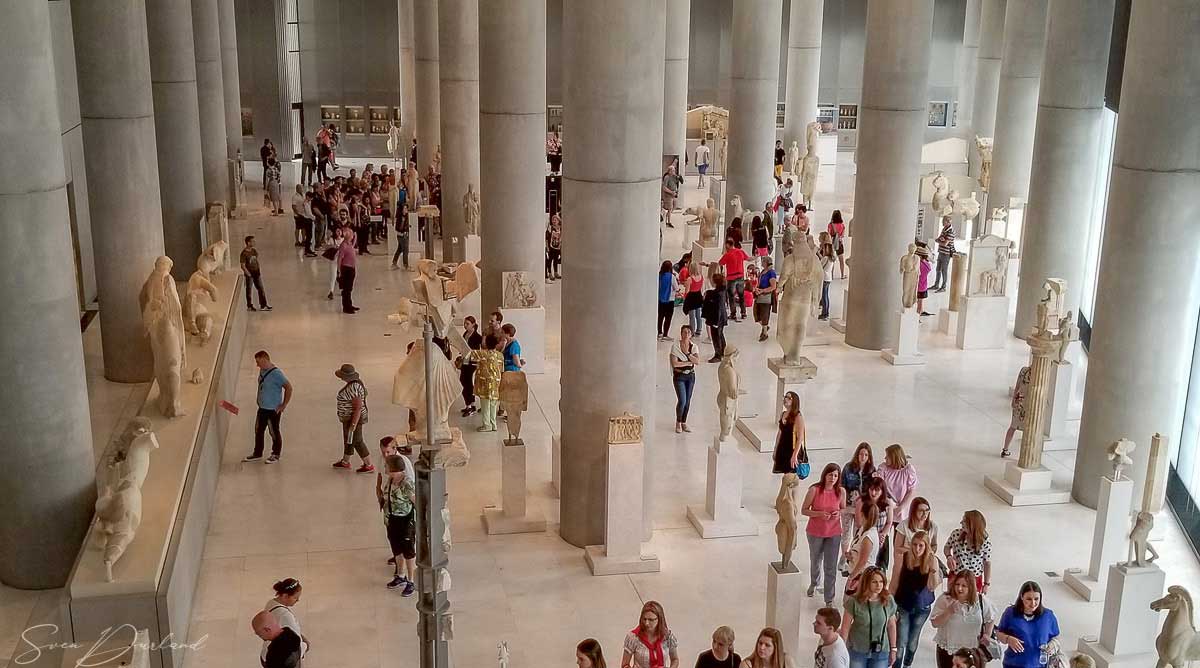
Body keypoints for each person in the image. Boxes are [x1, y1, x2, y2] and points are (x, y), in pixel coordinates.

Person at [890, 530, 941, 668]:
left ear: (926, 547)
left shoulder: (931, 560)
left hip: (922, 607)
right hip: (903, 604)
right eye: (915, 545)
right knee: (901, 641)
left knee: (913, 640)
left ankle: (907, 663)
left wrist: (933, 569)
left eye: (921, 546)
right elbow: (894, 581)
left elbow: (932, 586)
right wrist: (889, 603)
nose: (917, 549)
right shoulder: (904, 557)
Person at [931, 570, 998, 668]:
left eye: (964, 586)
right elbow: (935, 623)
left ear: (971, 587)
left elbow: (991, 618)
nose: (959, 588)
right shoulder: (946, 599)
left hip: (972, 653)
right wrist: (949, 612)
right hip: (949, 651)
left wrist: (987, 634)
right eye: (957, 584)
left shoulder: (981, 601)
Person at [803, 463, 846, 606]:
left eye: (835, 475)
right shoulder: (814, 490)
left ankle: (829, 598)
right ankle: (814, 582)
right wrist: (818, 514)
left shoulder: (841, 492)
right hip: (815, 531)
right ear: (824, 475)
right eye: (830, 475)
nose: (832, 478)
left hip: (833, 532)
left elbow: (843, 509)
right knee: (816, 559)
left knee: (831, 566)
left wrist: (838, 513)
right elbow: (804, 510)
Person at [840, 566, 899, 668]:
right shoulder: (854, 601)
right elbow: (845, 628)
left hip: (881, 651)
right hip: (857, 650)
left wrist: (893, 649)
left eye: (881, 582)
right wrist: (842, 650)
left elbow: (891, 625)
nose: (878, 585)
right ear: (866, 582)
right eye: (874, 582)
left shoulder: (888, 600)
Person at [995, 582, 1060, 668]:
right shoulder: (1010, 613)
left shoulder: (1048, 616)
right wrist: (1008, 639)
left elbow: (1056, 637)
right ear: (1022, 597)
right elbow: (998, 634)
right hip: (1013, 664)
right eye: (1029, 599)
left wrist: (1052, 645)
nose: (1033, 603)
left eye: (1036, 599)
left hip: (1039, 665)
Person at [244, 351, 292, 463]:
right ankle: (257, 452)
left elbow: (288, 388)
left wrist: (283, 404)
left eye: (258, 362)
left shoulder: (277, 374)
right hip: (262, 408)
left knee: (273, 431)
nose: (257, 365)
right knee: (258, 430)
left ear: (265, 359)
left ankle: (275, 454)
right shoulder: (262, 370)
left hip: (272, 410)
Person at [379, 454, 417, 595]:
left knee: (408, 550)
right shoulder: (390, 480)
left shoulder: (407, 483)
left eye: (387, 466)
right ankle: (400, 575)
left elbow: (415, 501)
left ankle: (411, 580)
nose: (385, 468)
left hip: (406, 520)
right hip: (393, 519)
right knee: (397, 549)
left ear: (394, 469)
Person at [330, 364, 374, 473]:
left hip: (353, 418)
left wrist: (353, 425)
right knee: (349, 439)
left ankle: (368, 464)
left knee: (357, 440)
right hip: (349, 418)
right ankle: (345, 461)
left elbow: (357, 408)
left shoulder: (354, 387)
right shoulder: (356, 383)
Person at [840, 443, 876, 571]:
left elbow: (874, 489)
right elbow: (842, 486)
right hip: (848, 505)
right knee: (846, 533)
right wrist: (843, 503)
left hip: (862, 508)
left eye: (866, 454)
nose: (863, 457)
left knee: (857, 533)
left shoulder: (872, 471)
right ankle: (844, 558)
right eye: (861, 454)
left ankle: (853, 556)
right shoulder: (848, 468)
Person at [944, 510, 992, 593]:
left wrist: (986, 584)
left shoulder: (985, 542)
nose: (961, 522)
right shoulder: (956, 534)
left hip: (974, 579)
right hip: (956, 575)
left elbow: (987, 563)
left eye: (964, 521)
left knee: (971, 604)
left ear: (972, 525)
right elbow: (947, 547)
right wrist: (949, 557)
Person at [622, 601, 680, 668]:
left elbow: (675, 659)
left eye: (651, 620)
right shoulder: (633, 637)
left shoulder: (668, 637)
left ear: (659, 620)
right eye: (644, 619)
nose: (646, 623)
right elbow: (625, 664)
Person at [466, 334, 504, 432]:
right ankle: (493, 424)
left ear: (486, 343)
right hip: (496, 383)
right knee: (493, 404)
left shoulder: (481, 354)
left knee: (485, 405)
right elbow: (501, 369)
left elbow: (468, 354)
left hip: (484, 384)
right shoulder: (500, 355)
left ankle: (487, 425)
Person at [263, 579, 309, 660]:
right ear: (285, 596)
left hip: (266, 653)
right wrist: (306, 645)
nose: (298, 600)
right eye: (295, 597)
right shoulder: (285, 615)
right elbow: (296, 647)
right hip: (280, 660)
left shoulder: (271, 603)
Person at [858, 477, 896, 573]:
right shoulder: (862, 502)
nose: (873, 493)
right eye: (871, 489)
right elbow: (859, 523)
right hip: (866, 537)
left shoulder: (888, 503)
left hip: (882, 538)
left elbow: (889, 522)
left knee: (880, 569)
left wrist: (882, 535)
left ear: (882, 491)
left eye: (877, 490)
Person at [875, 444, 919, 524]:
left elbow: (911, 491)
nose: (885, 458)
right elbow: (879, 483)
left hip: (901, 510)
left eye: (887, 456)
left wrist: (901, 508)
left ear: (894, 457)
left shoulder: (908, 470)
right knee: (883, 534)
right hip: (885, 507)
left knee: (898, 534)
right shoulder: (883, 467)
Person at [845, 502, 881, 598]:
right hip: (856, 571)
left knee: (852, 604)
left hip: (862, 576)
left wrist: (851, 578)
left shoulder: (868, 537)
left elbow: (863, 562)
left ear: (862, 514)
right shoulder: (862, 529)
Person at [670, 325, 700, 433]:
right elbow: (675, 364)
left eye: (688, 332)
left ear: (691, 334)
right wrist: (688, 362)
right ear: (681, 333)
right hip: (679, 377)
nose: (686, 334)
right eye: (684, 332)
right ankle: (678, 422)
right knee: (682, 400)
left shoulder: (694, 347)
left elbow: (697, 361)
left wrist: (687, 353)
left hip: (690, 376)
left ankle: (684, 422)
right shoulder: (675, 347)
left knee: (688, 401)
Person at [716, 238, 750, 321]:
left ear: (727, 245)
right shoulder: (740, 252)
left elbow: (720, 263)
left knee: (731, 296)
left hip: (731, 278)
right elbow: (748, 258)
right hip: (741, 276)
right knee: (741, 295)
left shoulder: (727, 254)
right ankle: (743, 313)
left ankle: (733, 314)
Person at [1002, 366, 1031, 458]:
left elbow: (1017, 385)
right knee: (1028, 430)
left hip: (1019, 400)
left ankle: (1005, 449)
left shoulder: (1024, 370)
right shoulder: (1038, 375)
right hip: (1028, 402)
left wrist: (1014, 399)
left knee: (1013, 426)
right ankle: (1025, 454)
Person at [773, 391, 805, 474]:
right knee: (785, 474)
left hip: (792, 449)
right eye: (785, 397)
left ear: (794, 401)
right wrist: (775, 450)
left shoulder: (798, 416)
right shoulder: (783, 414)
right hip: (782, 448)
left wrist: (795, 455)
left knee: (791, 475)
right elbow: (780, 433)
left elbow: (800, 437)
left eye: (789, 398)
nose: (785, 399)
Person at [458, 316, 483, 417]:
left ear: (473, 324)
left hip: (471, 362)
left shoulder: (477, 337)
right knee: (465, 382)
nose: (465, 326)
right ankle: (470, 404)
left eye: (467, 324)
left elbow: (479, 349)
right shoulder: (465, 334)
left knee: (466, 382)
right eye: (465, 323)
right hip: (465, 361)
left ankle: (470, 405)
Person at [240, 236, 272, 311]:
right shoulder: (244, 253)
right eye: (252, 241)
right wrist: (248, 274)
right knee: (249, 290)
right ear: (248, 243)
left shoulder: (254, 251)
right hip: (250, 274)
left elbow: (256, 258)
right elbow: (242, 265)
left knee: (261, 288)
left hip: (257, 273)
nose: (254, 242)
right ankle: (249, 306)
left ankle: (263, 305)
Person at [703, 274, 729, 362]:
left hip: (716, 318)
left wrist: (716, 322)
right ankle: (723, 351)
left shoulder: (717, 294)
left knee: (716, 337)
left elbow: (718, 308)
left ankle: (718, 355)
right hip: (720, 317)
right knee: (720, 335)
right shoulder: (722, 291)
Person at [753, 256, 778, 341]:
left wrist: (763, 291)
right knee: (756, 314)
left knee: (764, 314)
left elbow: (773, 286)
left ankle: (764, 333)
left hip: (766, 296)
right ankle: (765, 327)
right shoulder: (763, 271)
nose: (762, 263)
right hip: (759, 295)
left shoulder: (771, 273)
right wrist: (757, 289)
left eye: (763, 261)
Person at [336, 226, 358, 314]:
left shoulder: (349, 244)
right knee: (346, 289)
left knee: (349, 288)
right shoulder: (343, 246)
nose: (353, 235)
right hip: (346, 269)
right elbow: (339, 259)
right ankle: (346, 307)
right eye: (351, 234)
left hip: (351, 268)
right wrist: (339, 271)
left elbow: (355, 239)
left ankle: (350, 304)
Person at [681, 261, 705, 337]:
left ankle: (692, 331)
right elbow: (701, 288)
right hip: (698, 295)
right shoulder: (701, 277)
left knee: (692, 316)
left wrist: (684, 298)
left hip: (691, 297)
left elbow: (687, 291)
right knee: (698, 315)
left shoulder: (690, 279)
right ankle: (699, 329)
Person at [292, 185, 316, 257]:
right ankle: (306, 249)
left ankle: (304, 243)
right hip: (302, 217)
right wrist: (314, 218)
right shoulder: (297, 198)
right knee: (308, 234)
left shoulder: (304, 199)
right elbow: (308, 213)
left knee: (306, 233)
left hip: (304, 217)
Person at [658, 261, 679, 341]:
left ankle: (659, 333)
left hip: (660, 300)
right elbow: (676, 288)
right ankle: (665, 335)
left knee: (660, 317)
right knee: (668, 318)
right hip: (670, 300)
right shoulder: (672, 277)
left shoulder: (659, 276)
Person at [933, 216, 955, 292]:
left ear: (948, 222)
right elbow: (939, 238)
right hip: (941, 252)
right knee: (938, 269)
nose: (942, 222)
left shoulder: (950, 231)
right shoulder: (944, 229)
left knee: (944, 270)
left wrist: (940, 241)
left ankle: (943, 287)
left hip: (946, 254)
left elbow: (945, 244)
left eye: (944, 221)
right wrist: (941, 240)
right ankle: (936, 285)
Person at [828, 210, 847, 279]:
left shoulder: (830, 225)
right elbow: (842, 235)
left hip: (832, 244)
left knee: (832, 260)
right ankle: (842, 275)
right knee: (841, 260)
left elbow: (829, 234)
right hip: (839, 244)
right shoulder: (842, 225)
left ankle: (831, 275)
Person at [818, 240, 835, 319]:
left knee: (824, 296)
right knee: (826, 296)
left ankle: (824, 313)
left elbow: (819, 266)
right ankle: (826, 312)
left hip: (824, 278)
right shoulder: (831, 259)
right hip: (829, 278)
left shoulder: (825, 258)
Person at [392, 202, 411, 269]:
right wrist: (402, 231)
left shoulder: (406, 216)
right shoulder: (400, 217)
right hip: (401, 235)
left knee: (399, 249)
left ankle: (394, 263)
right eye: (405, 208)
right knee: (405, 250)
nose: (406, 210)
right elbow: (397, 227)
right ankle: (406, 265)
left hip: (405, 234)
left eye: (406, 208)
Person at [916, 245, 933, 316]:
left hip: (918, 287)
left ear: (919, 256)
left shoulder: (918, 264)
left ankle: (917, 316)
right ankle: (921, 311)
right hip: (924, 287)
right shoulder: (927, 264)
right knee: (920, 302)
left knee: (917, 303)